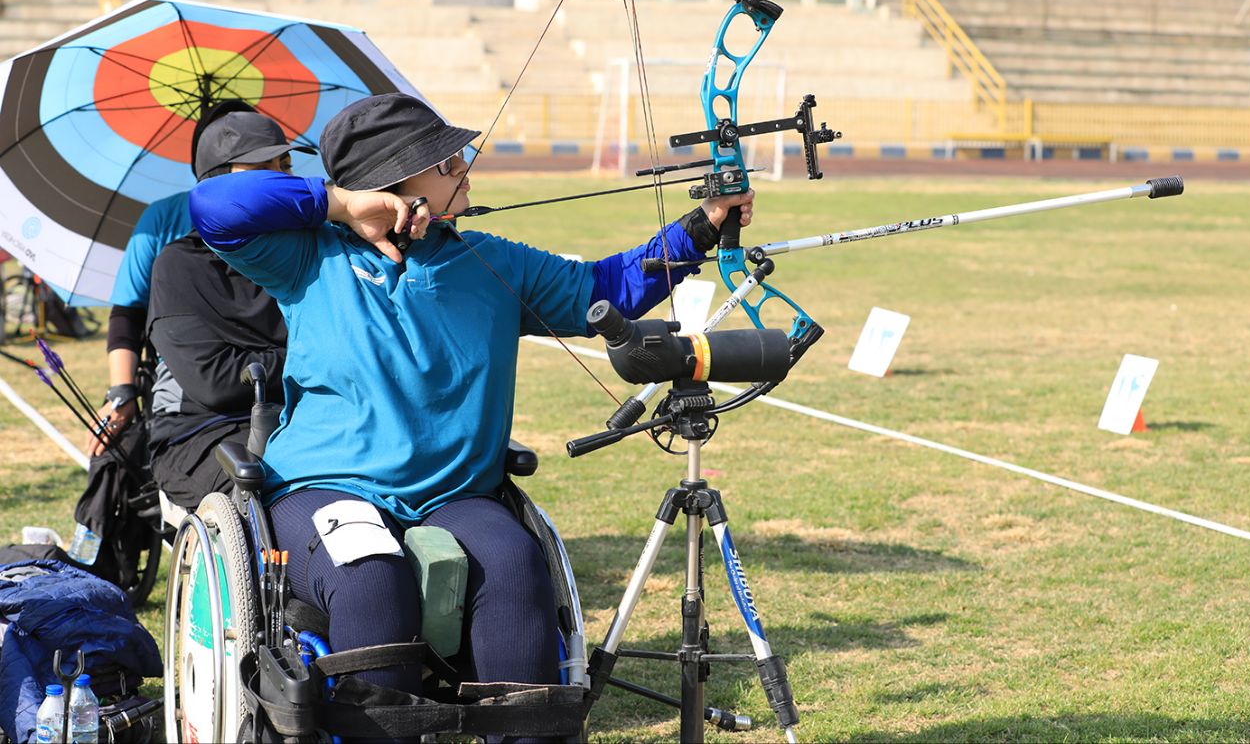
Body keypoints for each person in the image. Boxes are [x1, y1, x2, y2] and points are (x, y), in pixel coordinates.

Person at [188, 93, 754, 702]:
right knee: (370, 579)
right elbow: (213, 205)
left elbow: (607, 285)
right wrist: (343, 204)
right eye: (445, 160)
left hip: (455, 495)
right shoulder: (307, 256)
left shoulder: (493, 263)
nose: (464, 165)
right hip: (326, 486)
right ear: (395, 184)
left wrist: (704, 227)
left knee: (514, 565)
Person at [145, 111, 314, 508]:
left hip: (302, 420)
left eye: (286, 166)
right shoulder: (180, 264)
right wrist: (317, 360)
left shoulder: (309, 248)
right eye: (262, 168)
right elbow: (216, 382)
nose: (282, 180)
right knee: (290, 502)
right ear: (217, 186)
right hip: (203, 433)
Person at [86, 100, 258, 456]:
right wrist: (122, 391)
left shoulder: (289, 218)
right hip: (186, 379)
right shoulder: (161, 219)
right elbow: (128, 313)